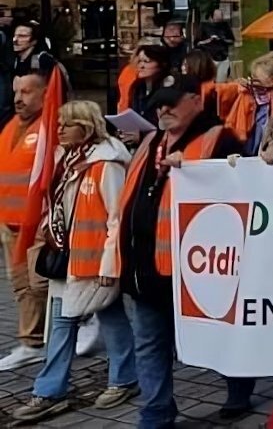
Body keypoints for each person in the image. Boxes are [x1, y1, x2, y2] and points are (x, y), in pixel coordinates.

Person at [116, 74, 242, 428]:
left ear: (196, 100)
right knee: (149, 344)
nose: (163, 109)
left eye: (172, 101)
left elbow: (239, 192)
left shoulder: (220, 138)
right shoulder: (148, 142)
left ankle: (240, 387)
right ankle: (156, 413)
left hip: (195, 271)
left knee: (215, 340)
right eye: (158, 103)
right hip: (145, 268)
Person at [12, 100, 139, 422]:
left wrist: (110, 266)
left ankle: (51, 392)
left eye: (67, 124)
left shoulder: (106, 163)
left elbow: (116, 218)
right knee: (105, 317)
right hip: (69, 259)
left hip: (92, 261)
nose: (60, 130)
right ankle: (122, 378)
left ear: (87, 126)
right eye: (59, 124)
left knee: (69, 322)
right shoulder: (67, 159)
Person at [0, 73, 50, 371]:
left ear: (44, 94)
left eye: (27, 92)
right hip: (9, 223)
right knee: (20, 284)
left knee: (39, 284)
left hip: (36, 224)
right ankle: (31, 342)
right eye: (16, 91)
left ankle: (82, 320)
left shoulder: (49, 128)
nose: (19, 98)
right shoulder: (10, 127)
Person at [120, 44, 172, 147]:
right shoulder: (137, 87)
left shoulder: (168, 87)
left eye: (147, 61)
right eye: (139, 61)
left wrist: (142, 136)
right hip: (139, 144)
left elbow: (169, 127)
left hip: (160, 144)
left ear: (162, 64)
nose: (141, 66)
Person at [197, 8, 235, 75]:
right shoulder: (204, 27)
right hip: (209, 57)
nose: (218, 18)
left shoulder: (225, 26)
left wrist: (221, 39)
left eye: (220, 16)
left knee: (221, 81)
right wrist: (208, 40)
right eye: (216, 16)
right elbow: (198, 43)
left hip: (223, 56)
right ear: (211, 17)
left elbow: (231, 40)